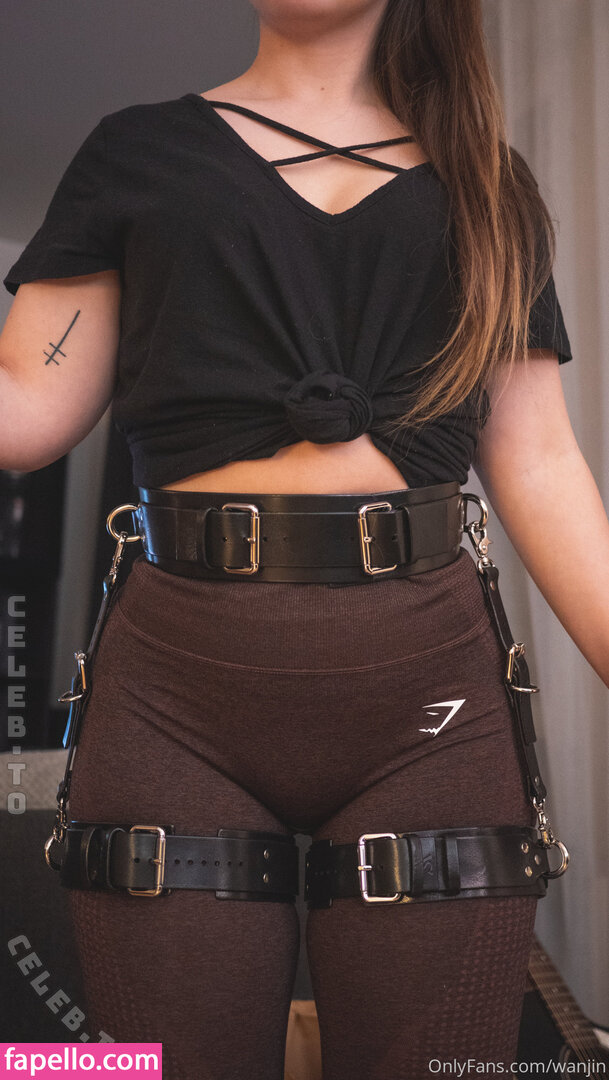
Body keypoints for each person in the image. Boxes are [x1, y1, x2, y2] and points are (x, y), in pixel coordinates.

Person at [1, 1, 607, 1077]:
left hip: (430, 718)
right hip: (172, 709)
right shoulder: (136, 151)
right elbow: (26, 410)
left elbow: (542, 466)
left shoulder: (489, 183)